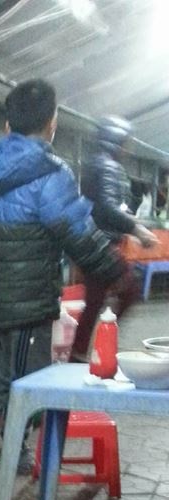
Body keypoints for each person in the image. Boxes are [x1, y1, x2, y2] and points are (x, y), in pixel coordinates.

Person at [0, 79, 126, 474]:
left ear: (7, 124)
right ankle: (17, 450)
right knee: (27, 378)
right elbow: (77, 231)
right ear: (52, 123)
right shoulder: (52, 174)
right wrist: (114, 270)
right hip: (27, 303)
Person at [72, 117, 159, 360]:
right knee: (130, 289)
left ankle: (79, 353)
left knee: (94, 301)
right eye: (126, 143)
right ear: (116, 141)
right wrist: (136, 229)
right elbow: (107, 208)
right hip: (101, 245)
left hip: (90, 242)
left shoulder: (97, 164)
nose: (128, 148)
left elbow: (107, 206)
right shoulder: (108, 167)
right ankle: (102, 341)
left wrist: (129, 225)